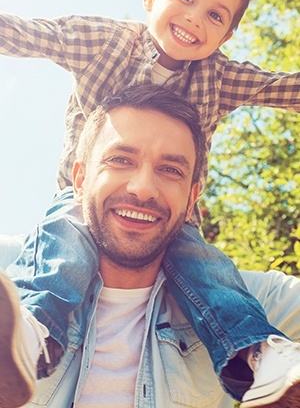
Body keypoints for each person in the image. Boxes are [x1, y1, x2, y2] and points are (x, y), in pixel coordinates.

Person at [0, 0, 299, 406]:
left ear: (225, 37)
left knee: (204, 267)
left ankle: (259, 355)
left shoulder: (219, 77)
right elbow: (36, 35)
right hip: (82, 202)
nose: (196, 18)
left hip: (174, 218)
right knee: (65, 244)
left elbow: (279, 89)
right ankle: (32, 332)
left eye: (216, 16)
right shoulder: (103, 41)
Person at [1, 87, 300, 408]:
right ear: (79, 180)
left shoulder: (248, 298)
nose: (143, 188)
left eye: (170, 170)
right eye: (120, 160)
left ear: (191, 199)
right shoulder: (9, 274)